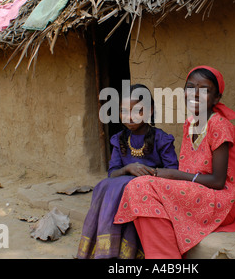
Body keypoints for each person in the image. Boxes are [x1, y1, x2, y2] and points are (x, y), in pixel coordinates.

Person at [114, 66, 235, 259]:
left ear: (216, 98)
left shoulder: (219, 125)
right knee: (137, 187)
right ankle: (164, 256)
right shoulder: (190, 123)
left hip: (221, 201)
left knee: (141, 187)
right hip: (196, 192)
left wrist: (174, 176)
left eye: (204, 90)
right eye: (190, 87)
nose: (195, 94)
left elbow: (219, 182)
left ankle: (165, 258)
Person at [76, 84, 179, 259]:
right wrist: (128, 168)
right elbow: (112, 173)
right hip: (124, 192)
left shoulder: (162, 139)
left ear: (149, 111)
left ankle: (128, 251)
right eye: (123, 111)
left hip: (151, 192)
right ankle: (107, 249)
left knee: (128, 186)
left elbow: (172, 172)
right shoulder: (119, 139)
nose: (129, 116)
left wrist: (149, 174)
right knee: (104, 185)